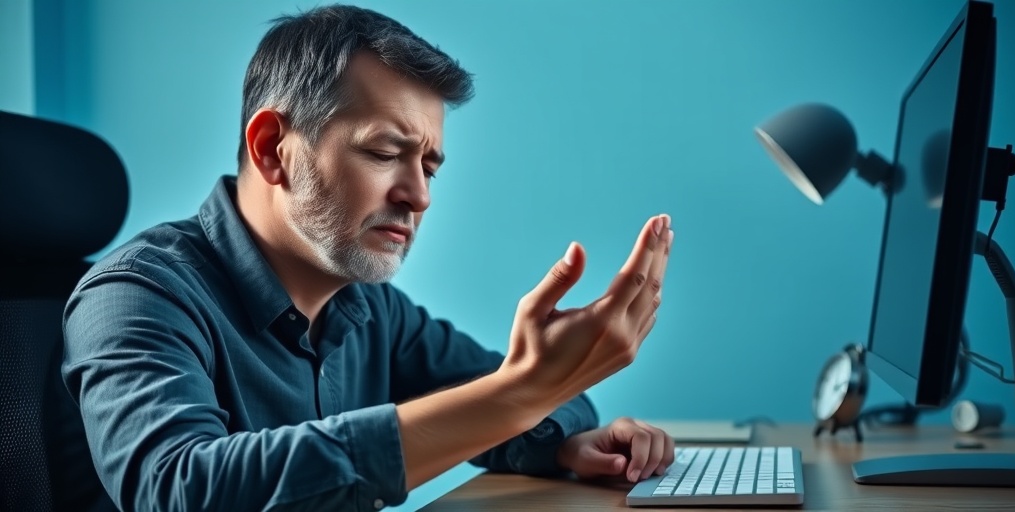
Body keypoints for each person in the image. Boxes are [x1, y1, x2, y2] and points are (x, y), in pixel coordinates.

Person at [62, 5, 676, 511]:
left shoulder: (368, 306)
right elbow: (180, 490)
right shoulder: (135, 295)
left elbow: (523, 395)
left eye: (429, 166)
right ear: (274, 149)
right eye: (385, 153)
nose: (419, 195)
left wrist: (554, 432)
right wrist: (518, 396)